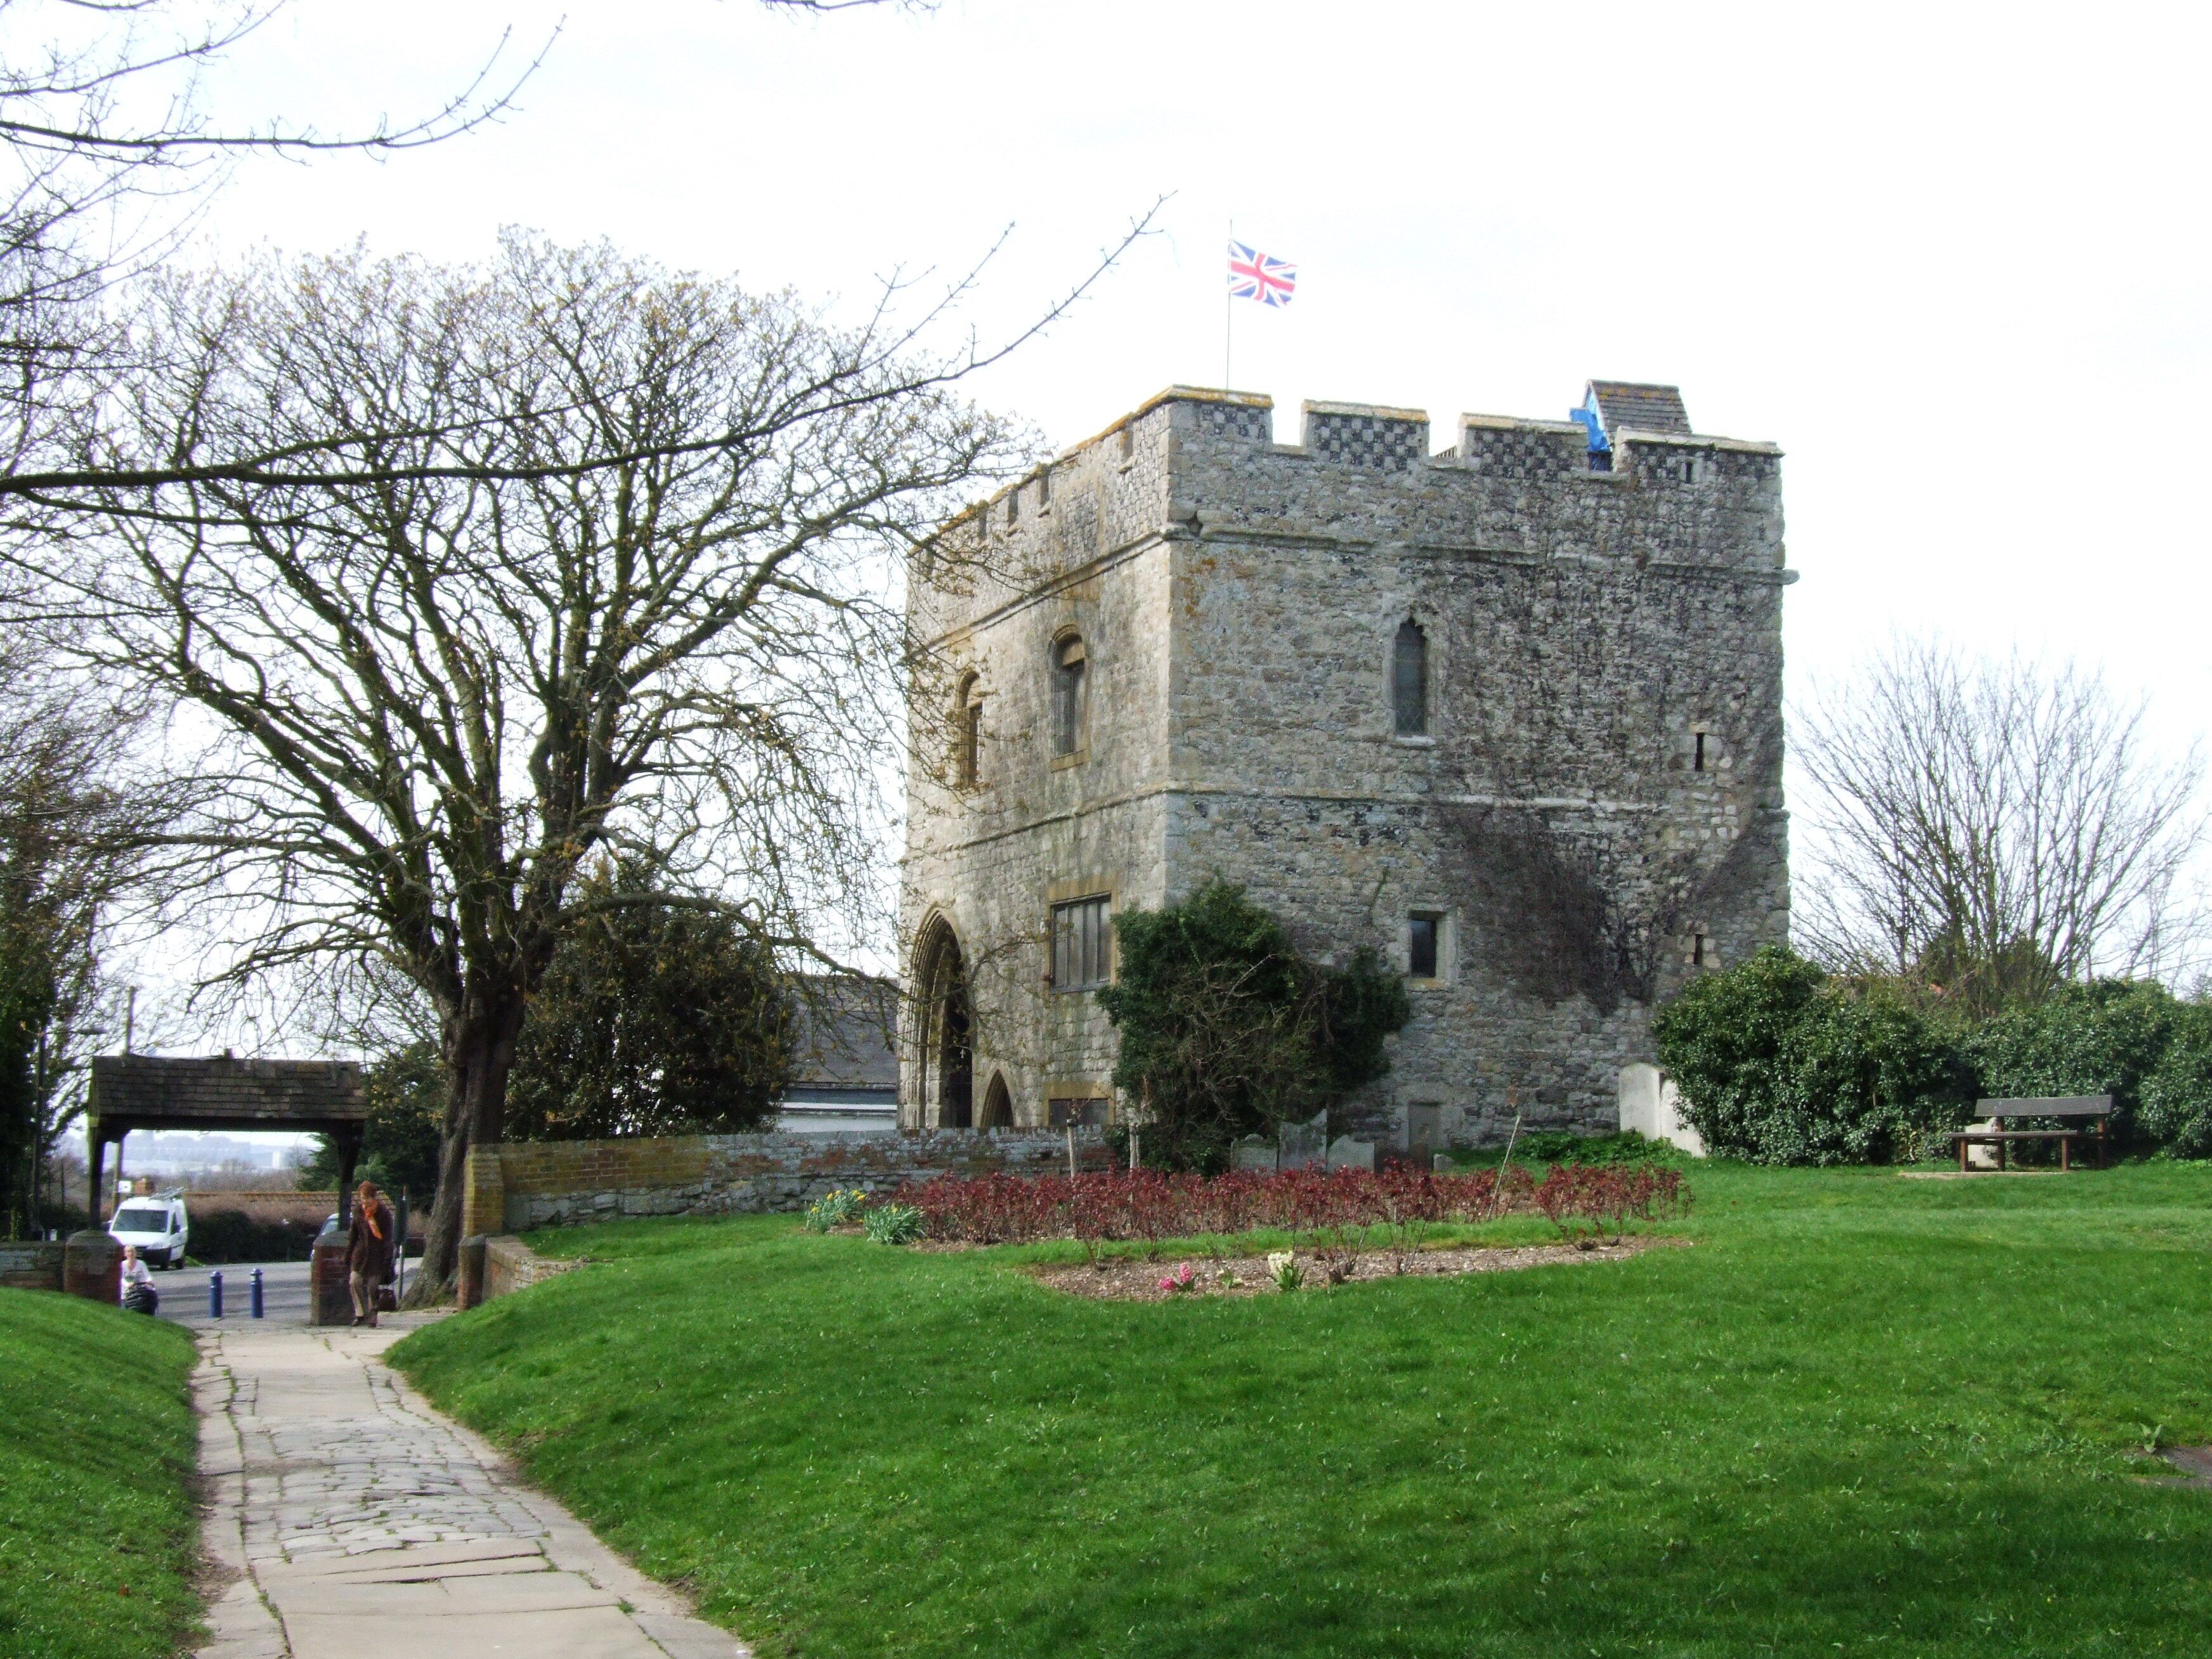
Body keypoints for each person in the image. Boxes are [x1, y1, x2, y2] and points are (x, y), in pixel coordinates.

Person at [346, 1180, 396, 1327]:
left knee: (372, 1287)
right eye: (362, 1198)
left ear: (374, 1198)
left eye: (367, 1198)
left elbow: (388, 1238)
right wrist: (348, 1254)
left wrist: (388, 1257)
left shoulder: (383, 1213)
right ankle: (360, 1313)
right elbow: (353, 1235)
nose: (364, 1201)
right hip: (361, 1255)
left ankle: (373, 1314)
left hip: (377, 1256)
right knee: (354, 1282)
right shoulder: (358, 1211)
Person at [119, 1244, 158, 1315]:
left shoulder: (141, 1263)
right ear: (125, 1254)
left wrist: (149, 1281)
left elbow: (147, 1275)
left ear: (135, 1253)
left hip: (139, 1290)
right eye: (128, 1252)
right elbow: (121, 1278)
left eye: (132, 1252)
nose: (131, 1254)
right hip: (126, 1292)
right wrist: (128, 1285)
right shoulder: (122, 1265)